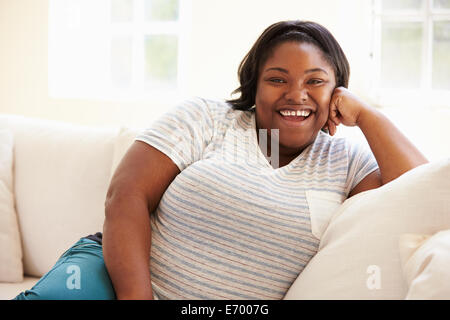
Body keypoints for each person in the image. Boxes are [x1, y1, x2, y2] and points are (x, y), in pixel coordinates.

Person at [14, 20, 428, 300]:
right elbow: (126, 196)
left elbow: (424, 193)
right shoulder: (209, 118)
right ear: (255, 84)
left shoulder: (348, 163)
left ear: (339, 92)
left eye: (315, 81)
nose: (296, 94)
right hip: (111, 282)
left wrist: (370, 116)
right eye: (277, 79)